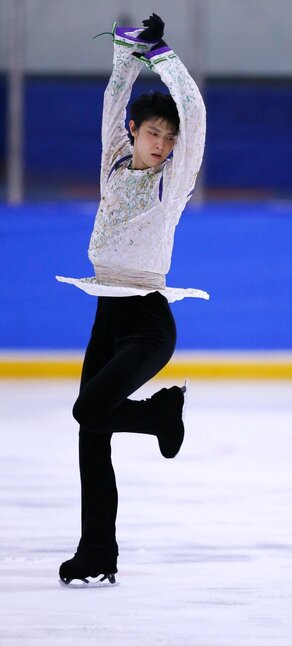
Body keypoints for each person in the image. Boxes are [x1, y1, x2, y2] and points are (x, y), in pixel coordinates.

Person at [56, 13, 207, 586]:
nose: (163, 145)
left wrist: (162, 56)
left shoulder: (173, 183)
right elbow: (112, 99)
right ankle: (98, 554)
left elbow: (192, 113)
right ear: (133, 131)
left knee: (89, 410)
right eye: (152, 134)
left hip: (146, 321)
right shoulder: (115, 163)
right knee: (91, 435)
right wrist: (126, 53)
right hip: (107, 314)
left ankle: (160, 413)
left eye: (168, 139)